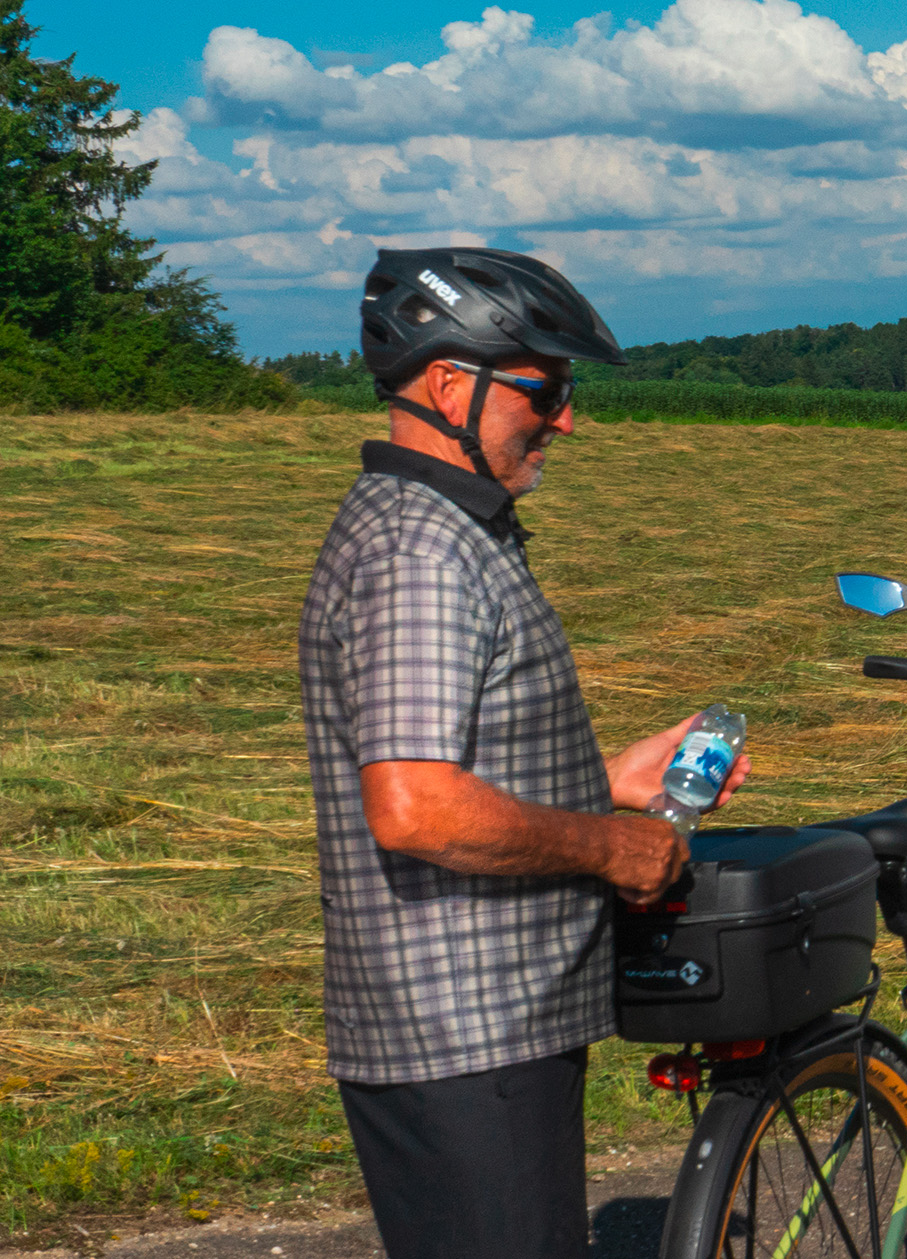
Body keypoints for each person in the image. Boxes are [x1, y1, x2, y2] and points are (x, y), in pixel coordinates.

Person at [298, 247, 750, 1259]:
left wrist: (605, 783)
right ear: (448, 385)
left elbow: (447, 758)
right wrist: (612, 844)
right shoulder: (420, 552)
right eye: (543, 392)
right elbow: (415, 805)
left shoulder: (450, 528)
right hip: (464, 1036)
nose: (565, 420)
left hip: (485, 1028)